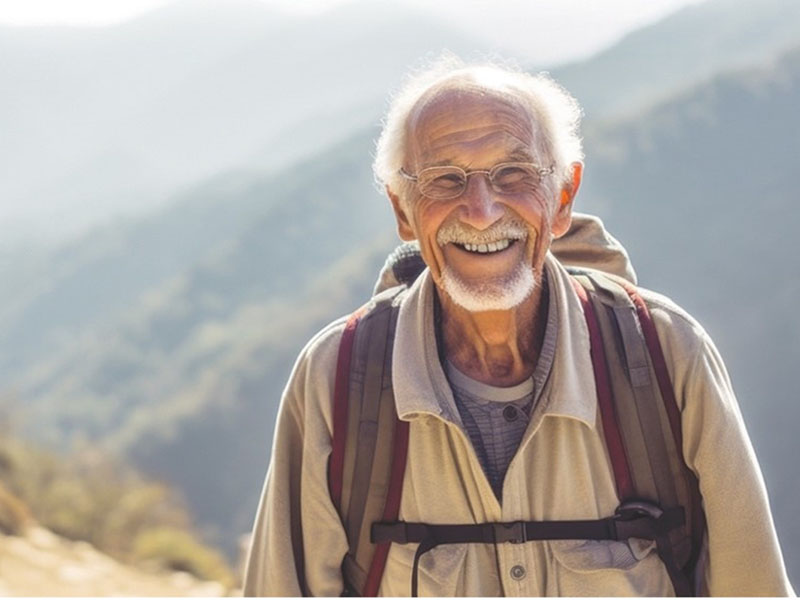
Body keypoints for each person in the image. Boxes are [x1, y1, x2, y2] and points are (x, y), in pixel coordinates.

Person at [243, 57, 793, 596]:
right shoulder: (336, 380)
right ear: (402, 210)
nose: (481, 211)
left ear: (563, 197)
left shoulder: (667, 356)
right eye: (444, 179)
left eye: (514, 174)